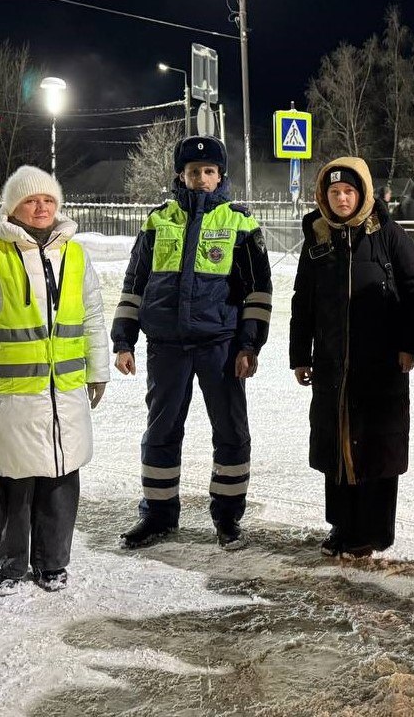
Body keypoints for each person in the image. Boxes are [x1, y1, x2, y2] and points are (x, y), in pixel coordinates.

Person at [0, 165, 109, 596]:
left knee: (61, 478)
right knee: (14, 482)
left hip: (66, 392)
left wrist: (98, 370)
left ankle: (53, 564)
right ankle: (11, 566)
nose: (41, 207)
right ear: (13, 207)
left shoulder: (76, 256)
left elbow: (93, 318)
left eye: (48, 200)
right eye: (30, 200)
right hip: (11, 396)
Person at [112, 136, 272, 550]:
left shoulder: (240, 223)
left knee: (231, 431)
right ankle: (158, 516)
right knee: (161, 431)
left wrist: (249, 346)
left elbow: (258, 291)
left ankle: (227, 517)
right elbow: (134, 284)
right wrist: (123, 340)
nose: (201, 178)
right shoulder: (157, 221)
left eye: (209, 171)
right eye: (193, 171)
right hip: (166, 346)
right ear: (180, 176)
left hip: (221, 345)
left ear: (220, 176)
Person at [289, 157, 414, 558]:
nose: (342, 198)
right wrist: (300, 354)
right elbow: (303, 299)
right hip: (332, 364)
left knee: (376, 447)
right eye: (334, 192)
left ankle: (374, 531)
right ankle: (342, 525)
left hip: (380, 366)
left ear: (363, 192)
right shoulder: (318, 237)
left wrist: (409, 345)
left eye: (349, 191)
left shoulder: (387, 233)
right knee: (337, 446)